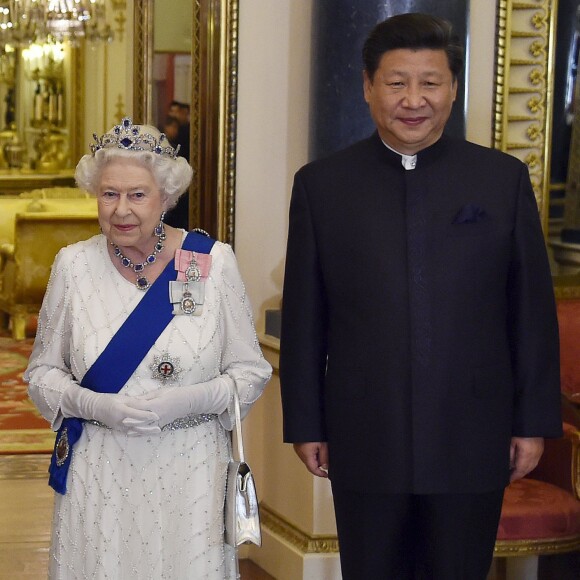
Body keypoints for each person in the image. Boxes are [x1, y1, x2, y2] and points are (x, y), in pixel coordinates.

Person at [279, 13, 562, 580]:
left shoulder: (500, 180)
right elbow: (307, 316)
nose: (414, 99)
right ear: (367, 87)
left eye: (430, 83)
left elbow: (530, 312)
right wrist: (306, 421)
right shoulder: (323, 185)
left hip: (472, 431)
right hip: (365, 431)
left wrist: (532, 421)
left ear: (452, 89)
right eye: (397, 82)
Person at [25, 117, 271, 579]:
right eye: (109, 194)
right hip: (99, 466)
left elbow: (250, 371)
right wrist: (92, 404)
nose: (121, 210)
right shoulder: (73, 265)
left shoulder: (210, 263)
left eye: (137, 195)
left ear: (166, 198)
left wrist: (191, 398)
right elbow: (41, 374)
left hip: (191, 468)